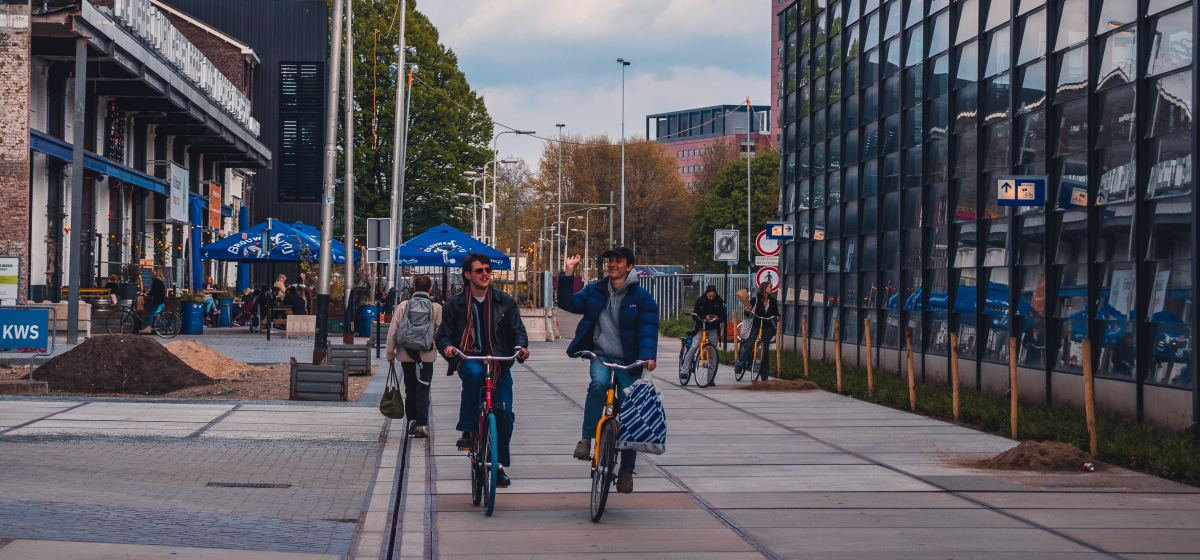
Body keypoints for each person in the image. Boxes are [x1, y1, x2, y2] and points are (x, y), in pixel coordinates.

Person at [557, 247, 658, 494]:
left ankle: (626, 469)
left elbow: (647, 327)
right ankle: (586, 438)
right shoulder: (595, 290)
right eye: (610, 261)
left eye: (618, 261)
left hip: (629, 360)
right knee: (598, 385)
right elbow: (568, 303)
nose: (612, 264)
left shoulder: (642, 298)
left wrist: (647, 357)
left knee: (633, 411)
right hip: (601, 355)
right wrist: (568, 272)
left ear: (629, 266)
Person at [436, 254, 529, 488]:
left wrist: (520, 348)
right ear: (468, 275)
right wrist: (448, 347)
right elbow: (443, 335)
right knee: (475, 374)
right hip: (469, 355)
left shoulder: (505, 301)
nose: (485, 273)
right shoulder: (454, 304)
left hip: (499, 361)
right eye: (479, 270)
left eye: (488, 269)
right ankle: (468, 430)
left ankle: (498, 466)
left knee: (504, 413)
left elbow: (518, 331)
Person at [388, 275, 442, 439]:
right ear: (430, 289)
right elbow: (440, 333)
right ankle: (422, 424)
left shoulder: (403, 305)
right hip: (426, 357)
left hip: (406, 355)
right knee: (423, 389)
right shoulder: (436, 308)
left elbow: (393, 331)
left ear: (413, 288)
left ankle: (412, 421)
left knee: (410, 389)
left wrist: (390, 354)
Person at [734, 282, 780, 382]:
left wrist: (777, 317)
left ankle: (764, 377)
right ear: (764, 289)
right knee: (750, 345)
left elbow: (776, 313)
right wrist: (747, 311)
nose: (772, 289)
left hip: (767, 327)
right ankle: (739, 366)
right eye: (770, 287)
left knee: (765, 352)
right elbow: (747, 312)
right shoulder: (755, 300)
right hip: (756, 325)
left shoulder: (773, 301)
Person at [680, 285, 727, 381]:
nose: (711, 298)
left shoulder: (719, 302)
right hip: (701, 327)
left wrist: (718, 318)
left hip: (713, 327)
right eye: (710, 296)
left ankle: (710, 378)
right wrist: (704, 317)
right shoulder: (700, 301)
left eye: (713, 296)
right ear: (706, 293)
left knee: (713, 353)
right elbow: (695, 315)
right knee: (694, 346)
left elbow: (724, 315)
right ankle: (684, 371)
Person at [143, 268, 167, 333]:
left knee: (151, 311)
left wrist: (148, 294)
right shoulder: (161, 280)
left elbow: (155, 291)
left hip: (157, 299)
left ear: (156, 272)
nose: (153, 272)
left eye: (154, 271)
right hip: (160, 299)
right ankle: (155, 316)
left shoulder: (157, 280)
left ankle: (149, 327)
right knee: (146, 305)